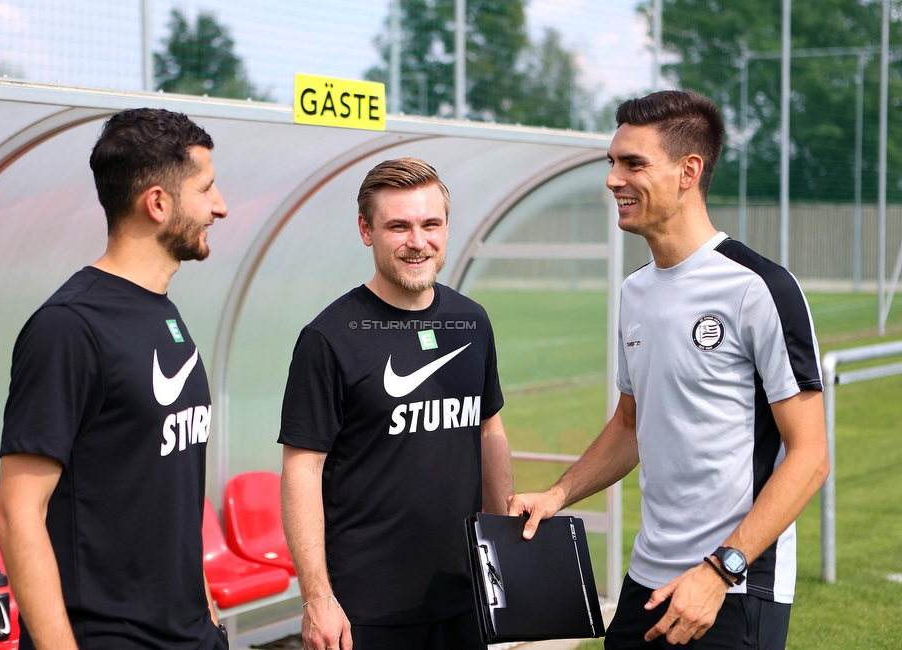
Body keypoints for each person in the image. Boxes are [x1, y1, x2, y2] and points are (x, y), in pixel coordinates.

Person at [508, 90, 830, 649]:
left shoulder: (759, 288)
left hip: (732, 587)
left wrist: (719, 570)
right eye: (612, 162)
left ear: (689, 171)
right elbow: (631, 425)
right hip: (647, 581)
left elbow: (811, 456)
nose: (613, 178)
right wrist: (557, 495)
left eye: (633, 163)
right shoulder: (636, 291)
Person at [0, 108, 229, 650]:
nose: (220, 205)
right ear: (158, 203)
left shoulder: (162, 313)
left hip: (191, 633)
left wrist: (204, 604)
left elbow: (163, 486)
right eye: (207, 188)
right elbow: (16, 512)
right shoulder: (68, 327)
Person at [278, 157, 513, 650]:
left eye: (431, 224)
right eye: (398, 226)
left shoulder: (472, 321)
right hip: (367, 608)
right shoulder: (328, 338)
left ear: (446, 228)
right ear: (366, 231)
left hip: (463, 594)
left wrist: (503, 552)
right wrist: (316, 598)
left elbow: (490, 429)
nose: (418, 241)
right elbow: (302, 469)